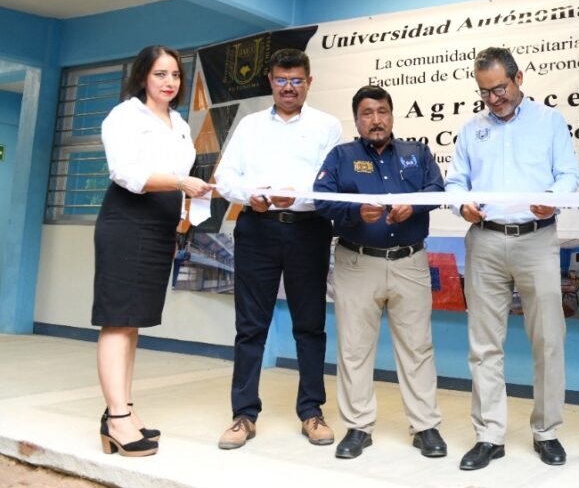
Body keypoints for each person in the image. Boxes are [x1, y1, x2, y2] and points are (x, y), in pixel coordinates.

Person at [444, 47, 579, 470]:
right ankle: (489, 435)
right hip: (484, 242)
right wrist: (461, 206)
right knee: (484, 345)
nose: (493, 98)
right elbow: (455, 182)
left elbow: (569, 175)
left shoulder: (549, 121)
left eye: (499, 88)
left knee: (548, 339)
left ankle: (546, 431)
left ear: (518, 77)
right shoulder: (471, 129)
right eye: (484, 92)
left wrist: (553, 201)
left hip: (537, 239)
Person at [213, 48, 343, 450]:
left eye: (297, 81)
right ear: (270, 81)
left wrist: (298, 197)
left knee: (310, 325)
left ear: (309, 82)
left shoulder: (327, 125)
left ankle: (311, 412)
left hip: (308, 230)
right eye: (282, 80)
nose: (289, 88)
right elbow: (225, 177)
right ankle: (244, 415)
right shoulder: (250, 126)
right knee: (250, 327)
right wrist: (252, 194)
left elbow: (331, 184)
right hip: (257, 229)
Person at [312, 86, 448, 460]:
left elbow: (437, 188)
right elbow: (322, 199)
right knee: (354, 348)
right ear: (356, 120)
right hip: (357, 263)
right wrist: (356, 213)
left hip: (410, 262)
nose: (376, 119)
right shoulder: (341, 156)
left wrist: (414, 207)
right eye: (368, 113)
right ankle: (358, 427)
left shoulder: (416, 153)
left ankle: (426, 426)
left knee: (418, 347)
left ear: (392, 115)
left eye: (383, 111)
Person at [94, 45, 213, 456]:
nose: (169, 82)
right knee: (117, 318)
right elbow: (125, 173)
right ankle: (116, 419)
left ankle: (123, 409)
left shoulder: (178, 122)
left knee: (133, 321)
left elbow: (181, 173)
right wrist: (182, 185)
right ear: (143, 75)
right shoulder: (125, 115)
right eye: (160, 74)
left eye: (175, 75)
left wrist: (188, 202)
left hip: (161, 225)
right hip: (127, 221)